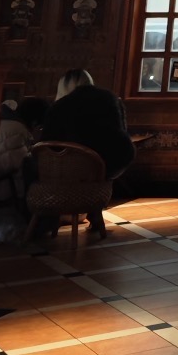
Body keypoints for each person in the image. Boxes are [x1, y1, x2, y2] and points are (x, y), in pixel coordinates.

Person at [39, 69, 137, 236]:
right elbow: (122, 130)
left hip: (75, 166)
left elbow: (48, 143)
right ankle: (94, 213)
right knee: (94, 174)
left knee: (40, 167)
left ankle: (48, 220)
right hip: (113, 161)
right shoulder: (110, 98)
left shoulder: (60, 106)